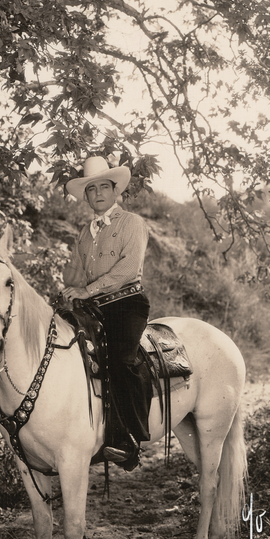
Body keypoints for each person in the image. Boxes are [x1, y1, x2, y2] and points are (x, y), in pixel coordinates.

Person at [62, 155, 151, 469]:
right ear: (85, 196)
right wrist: (64, 294)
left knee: (122, 359)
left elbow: (127, 270)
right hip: (95, 309)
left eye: (103, 186)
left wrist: (86, 291)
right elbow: (73, 275)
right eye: (91, 189)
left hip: (126, 304)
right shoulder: (85, 234)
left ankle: (130, 438)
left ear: (116, 192)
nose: (97, 193)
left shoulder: (133, 223)